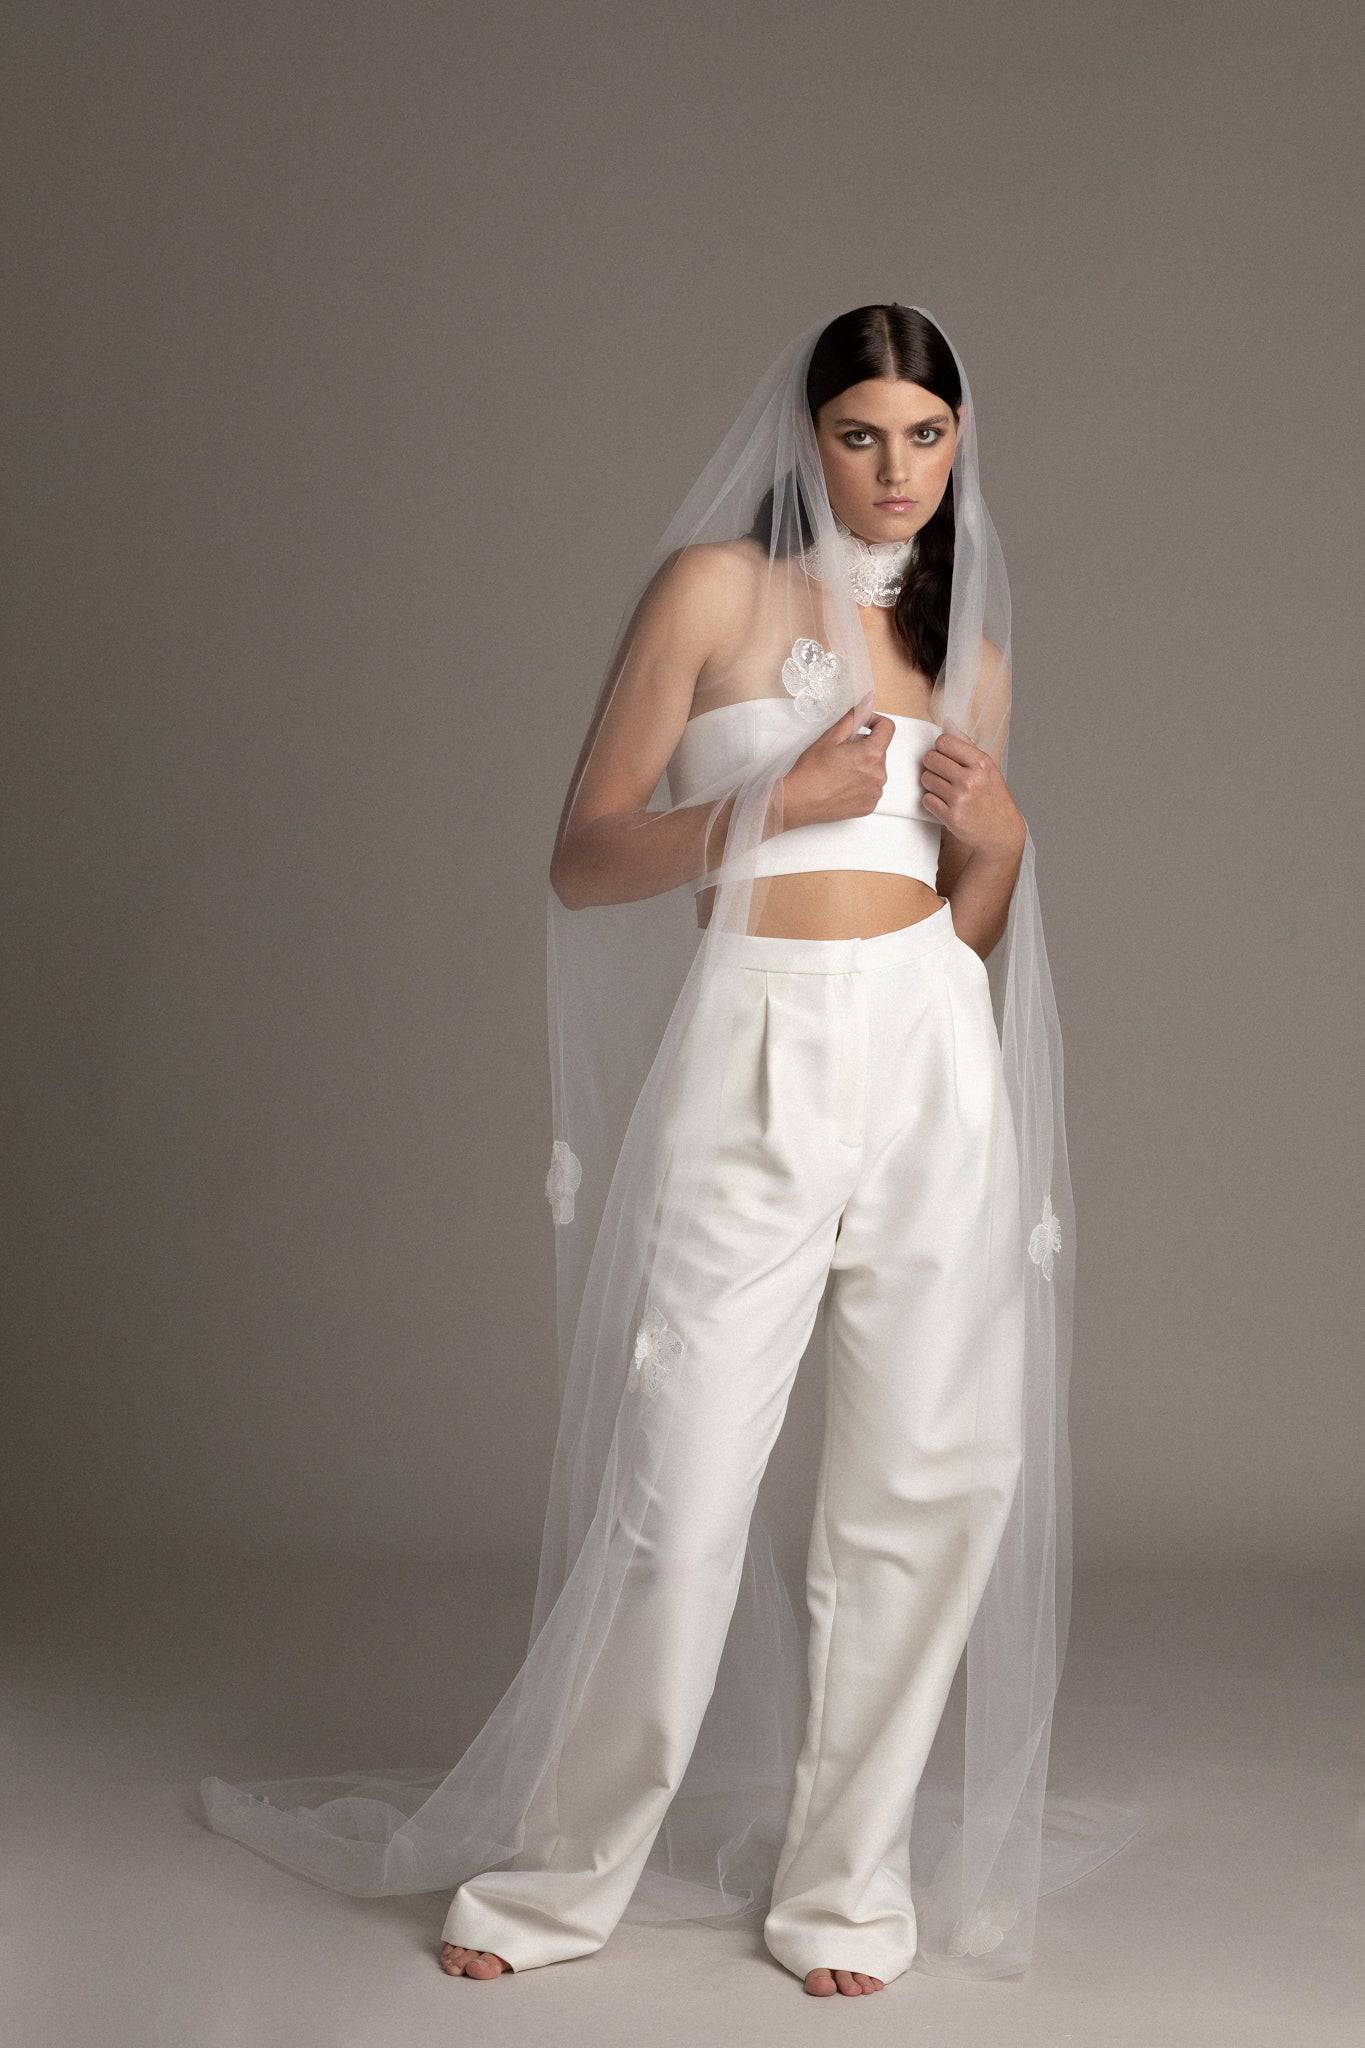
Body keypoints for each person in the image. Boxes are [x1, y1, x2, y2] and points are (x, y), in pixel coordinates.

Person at [198, 304, 1140, 2008]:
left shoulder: (972, 647)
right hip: (760, 1041)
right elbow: (581, 858)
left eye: (927, 436)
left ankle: (844, 1895)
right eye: (862, 433)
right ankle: (559, 1878)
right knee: (681, 1486)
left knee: (931, 1486)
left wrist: (997, 848)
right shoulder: (712, 592)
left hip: (925, 1052)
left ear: (960, 444)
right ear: (805, 438)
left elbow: (965, 935)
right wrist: (766, 808)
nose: (897, 470)